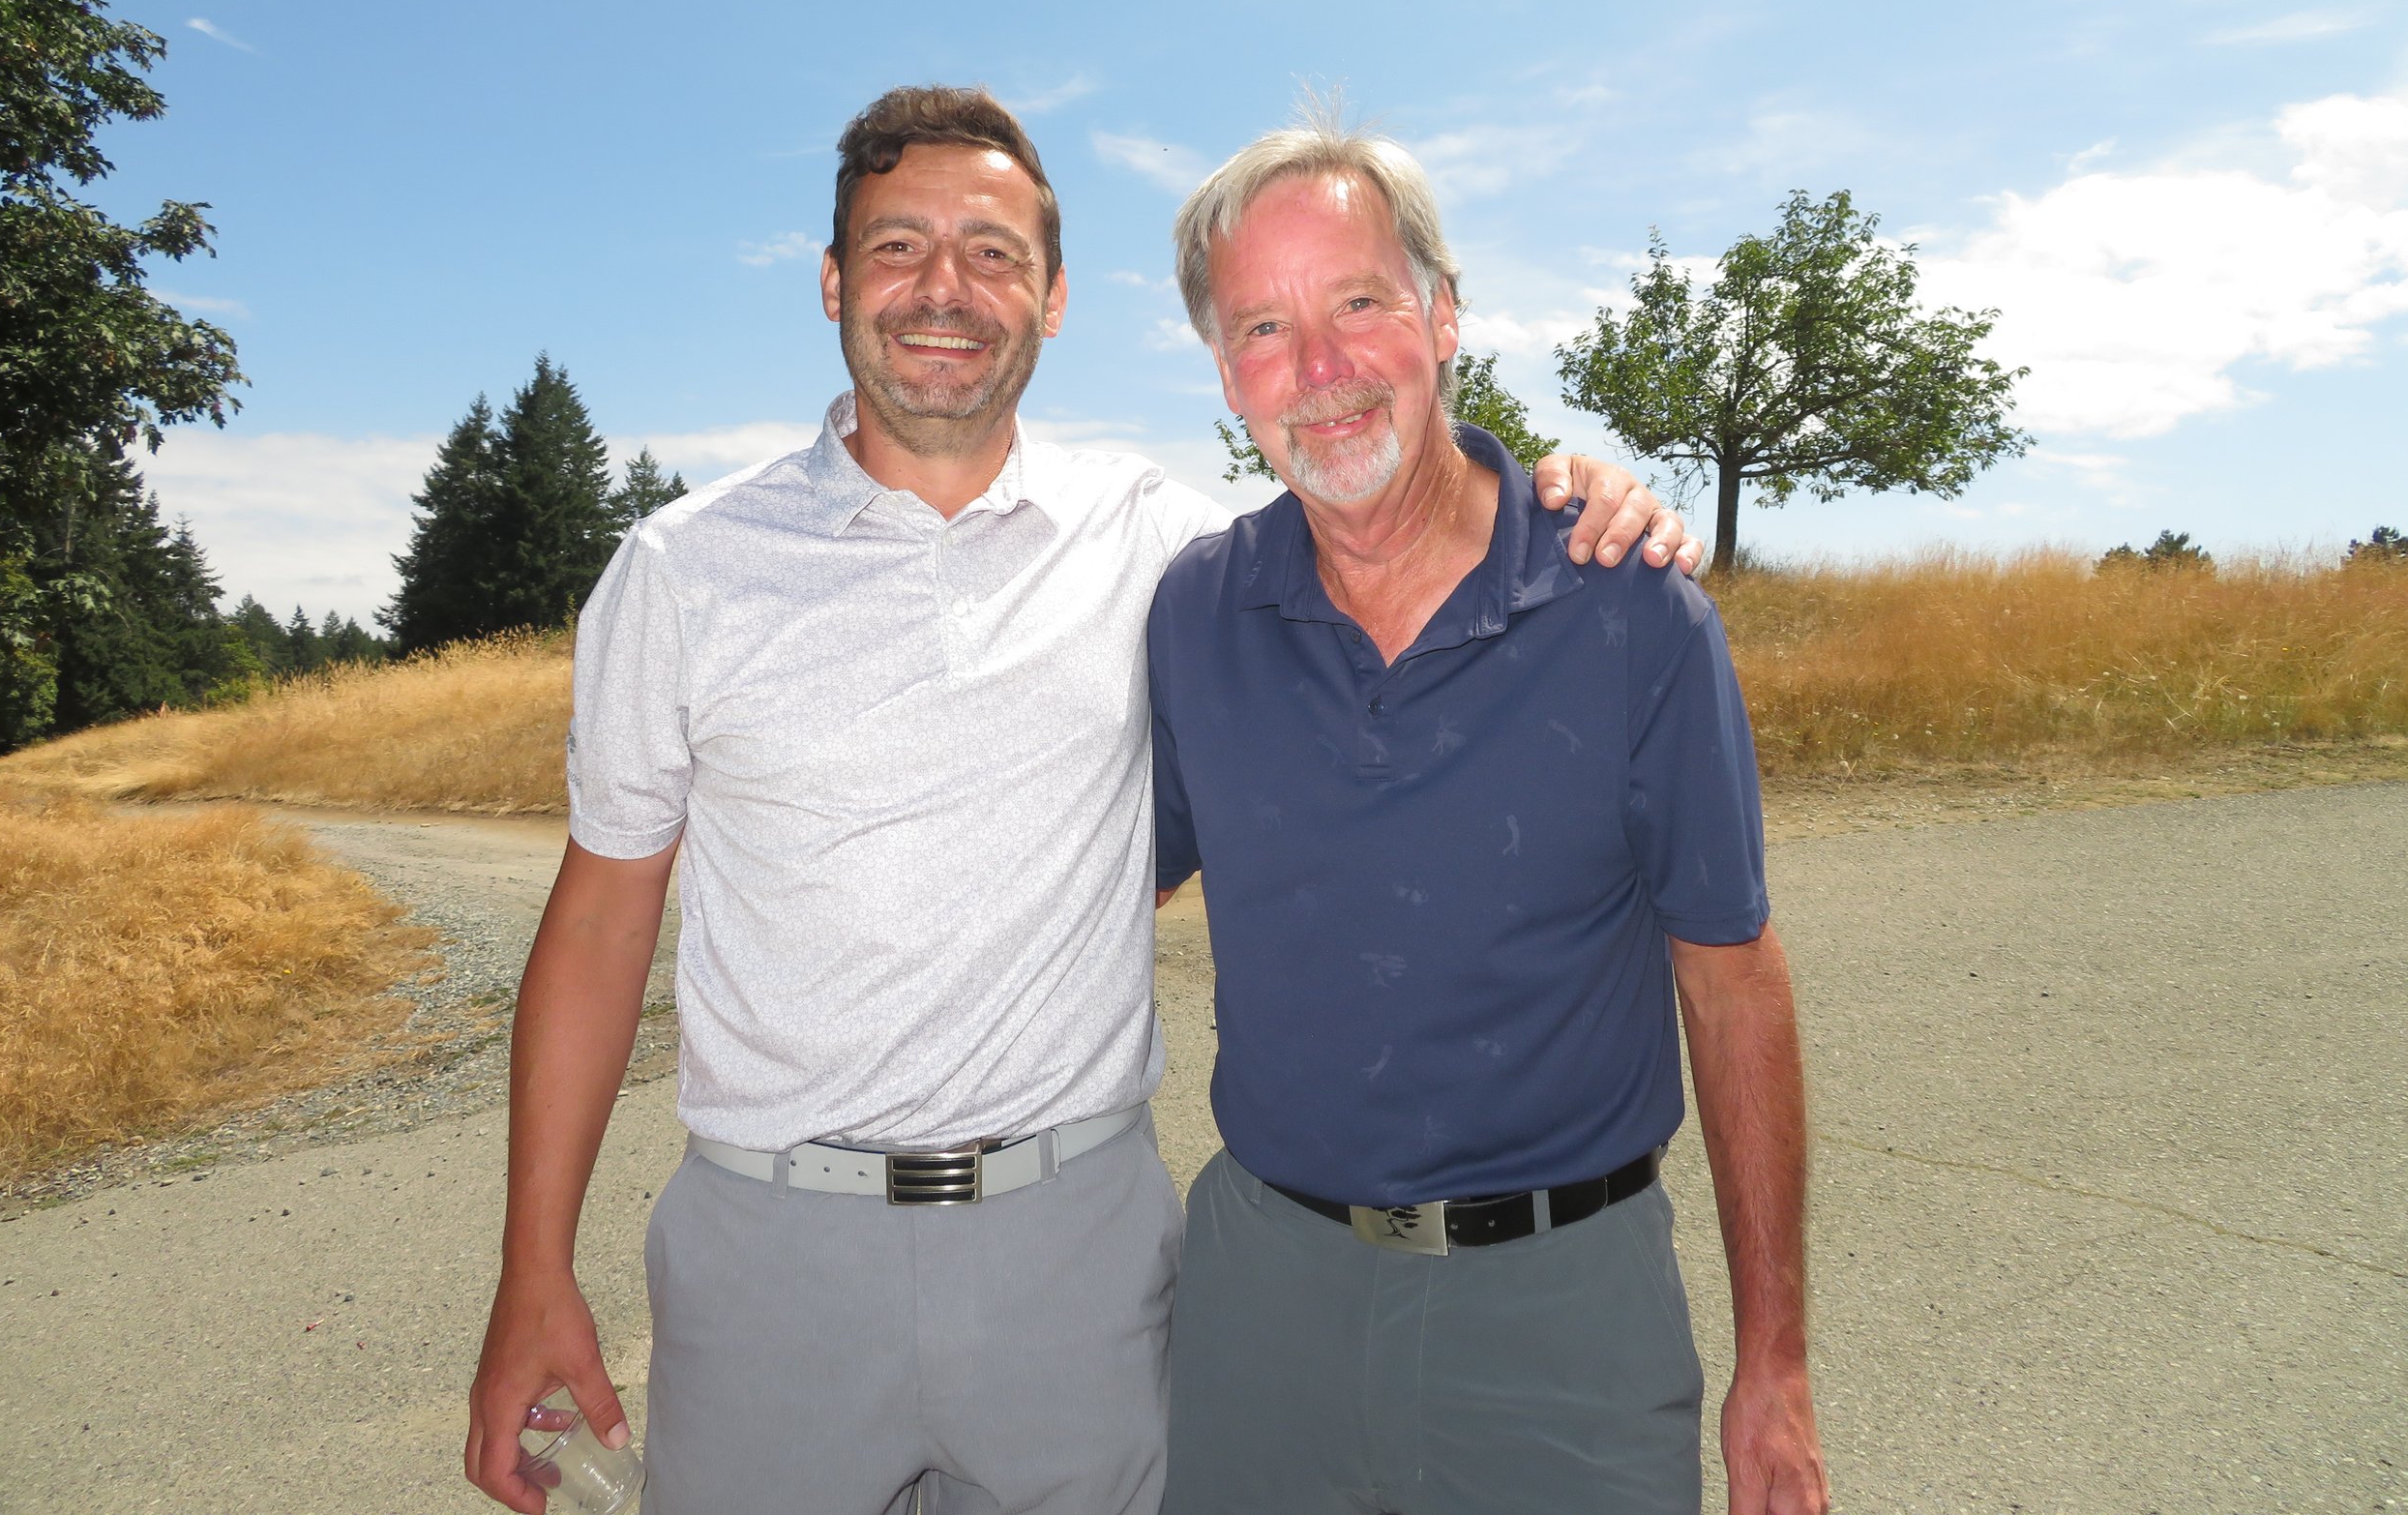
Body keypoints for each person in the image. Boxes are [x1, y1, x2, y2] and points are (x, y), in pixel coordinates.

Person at [461, 84, 1699, 1515]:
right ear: (828, 283)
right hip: (768, 1257)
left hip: (1080, 1253)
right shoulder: (681, 570)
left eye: (994, 254)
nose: (945, 289)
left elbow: (1387, 516)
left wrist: (1581, 491)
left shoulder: (1165, 550)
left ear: (1054, 301)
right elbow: (603, 925)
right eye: (897, 248)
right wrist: (532, 1271)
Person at [1148, 109, 1830, 1515]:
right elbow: (1086, 882)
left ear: (1443, 316)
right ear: (1226, 375)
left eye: (1359, 304)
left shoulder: (1626, 604)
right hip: (1262, 1302)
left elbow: (1733, 980)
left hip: (1564, 1318)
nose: (1321, 371)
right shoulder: (1197, 612)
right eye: (1264, 330)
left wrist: (1778, 1359)